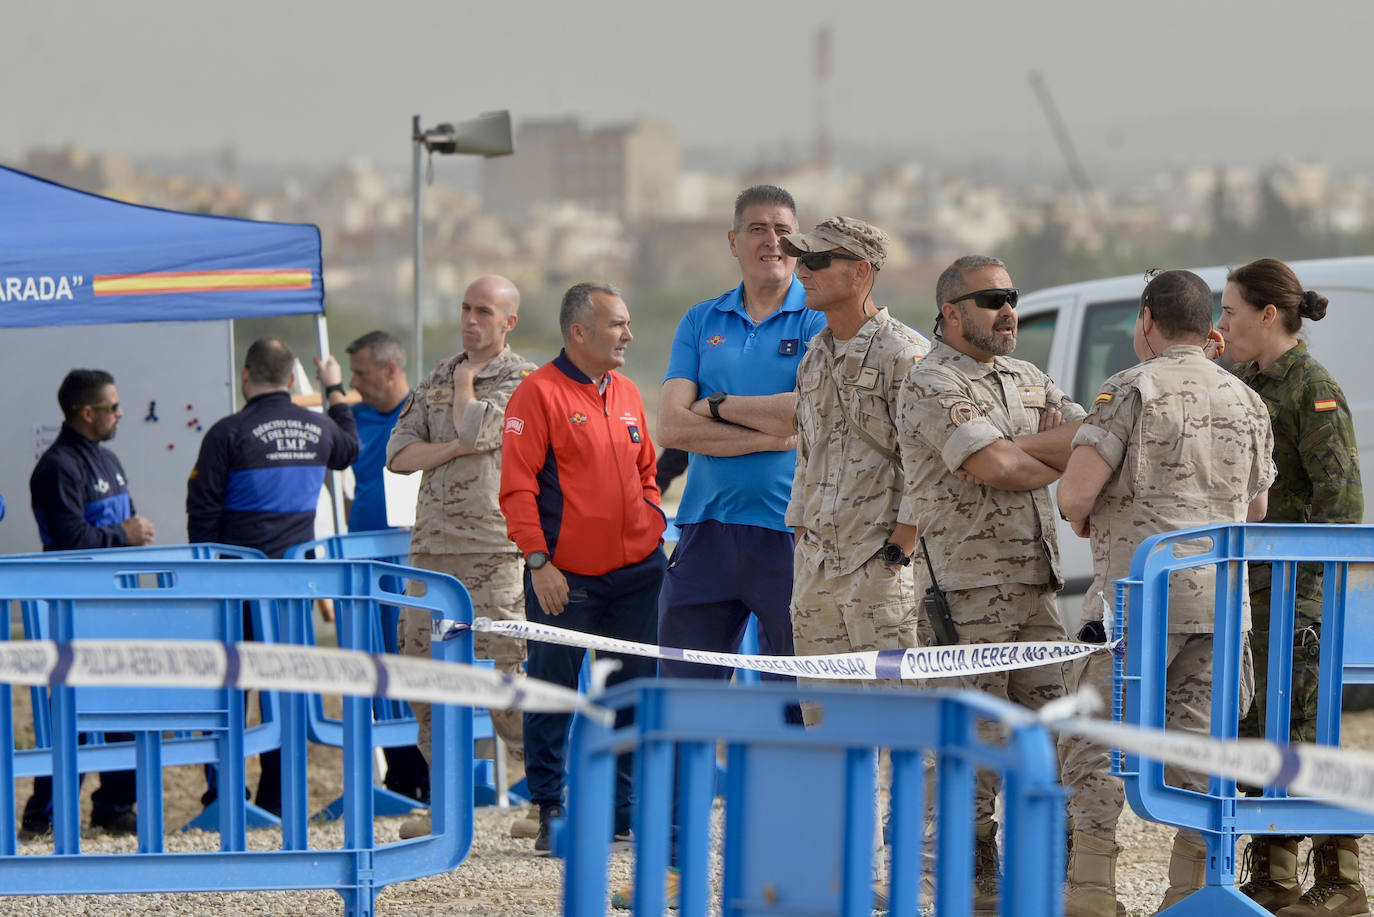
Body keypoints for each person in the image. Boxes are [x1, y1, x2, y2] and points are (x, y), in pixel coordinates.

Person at [1057, 269, 1275, 916]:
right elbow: (1257, 507)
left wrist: (1086, 517)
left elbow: (1074, 494)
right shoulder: (1245, 398)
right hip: (1220, 606)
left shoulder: (1128, 388)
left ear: (1146, 321)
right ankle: (1193, 894)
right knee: (1200, 749)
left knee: (1094, 743)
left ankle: (1093, 893)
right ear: (1205, 322)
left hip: (1137, 605)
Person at [896, 254, 1083, 913]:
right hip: (965, 599)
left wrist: (1020, 451)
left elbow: (1087, 442)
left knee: (1050, 741)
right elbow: (994, 464)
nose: (1008, 310)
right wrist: (1035, 451)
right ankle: (973, 895)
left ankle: (1049, 889)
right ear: (951, 311)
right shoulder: (929, 383)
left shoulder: (1028, 377)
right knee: (972, 758)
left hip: (1035, 590)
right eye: (990, 299)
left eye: (1012, 295)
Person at [1218, 259, 1365, 917]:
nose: (1223, 324)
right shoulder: (1243, 381)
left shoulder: (1313, 389)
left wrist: (1306, 581)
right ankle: (1275, 873)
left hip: (1298, 591)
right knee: (1261, 724)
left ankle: (1343, 879)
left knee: (1307, 727)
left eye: (1231, 312)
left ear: (1268, 316)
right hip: (1253, 589)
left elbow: (1344, 503)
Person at [499, 281, 666, 855]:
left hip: (640, 573)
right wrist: (539, 561)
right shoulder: (536, 395)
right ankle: (551, 808)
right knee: (552, 691)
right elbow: (517, 488)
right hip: (564, 578)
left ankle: (623, 813)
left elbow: (648, 471)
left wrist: (652, 527)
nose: (628, 335)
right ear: (579, 332)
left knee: (631, 692)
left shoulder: (625, 390)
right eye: (618, 324)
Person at [386, 274, 537, 839]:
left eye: (483, 311)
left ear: (508, 322)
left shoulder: (524, 380)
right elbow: (399, 455)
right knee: (425, 679)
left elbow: (482, 428)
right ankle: (446, 802)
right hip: (431, 553)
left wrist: (467, 389)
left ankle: (549, 797)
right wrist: (450, 443)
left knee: (508, 679)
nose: (470, 319)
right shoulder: (436, 377)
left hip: (495, 552)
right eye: (466, 308)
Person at [656, 185, 824, 687]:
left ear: (799, 244)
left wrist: (717, 407)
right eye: (757, 229)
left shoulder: (817, 319)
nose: (771, 241)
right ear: (734, 241)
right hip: (705, 531)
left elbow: (801, 415)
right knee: (683, 700)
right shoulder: (700, 319)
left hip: (790, 533)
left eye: (783, 231)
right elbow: (671, 426)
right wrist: (766, 435)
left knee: (795, 700)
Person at [187, 336, 359, 815]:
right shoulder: (320, 427)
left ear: (245, 376)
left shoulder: (227, 433)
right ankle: (279, 800)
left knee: (229, 692)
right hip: (291, 590)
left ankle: (226, 796)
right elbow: (350, 449)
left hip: (234, 586)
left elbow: (202, 516)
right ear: (289, 380)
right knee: (283, 689)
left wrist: (202, 581)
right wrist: (335, 388)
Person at [784, 216, 929, 687]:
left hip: (880, 572)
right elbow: (807, 457)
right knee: (827, 731)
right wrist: (802, 536)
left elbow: (927, 464)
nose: (801, 271)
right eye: (799, 260)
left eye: (816, 260)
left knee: (904, 726)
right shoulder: (814, 357)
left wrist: (898, 551)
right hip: (817, 573)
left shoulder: (904, 355)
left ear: (860, 272)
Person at [21, 369, 155, 839]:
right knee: (73, 718)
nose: (121, 414)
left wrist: (129, 533)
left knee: (127, 708)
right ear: (87, 413)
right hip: (75, 612)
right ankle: (43, 819)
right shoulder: (57, 467)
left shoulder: (109, 459)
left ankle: (115, 808)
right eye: (114, 407)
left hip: (117, 609)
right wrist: (126, 533)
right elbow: (69, 540)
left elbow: (123, 523)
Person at [342, 329, 430, 805]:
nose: (356, 383)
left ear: (392, 370)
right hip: (365, 567)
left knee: (416, 663)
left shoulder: (423, 414)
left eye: (362, 373)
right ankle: (399, 775)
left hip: (414, 563)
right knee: (375, 670)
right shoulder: (352, 420)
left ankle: (428, 773)